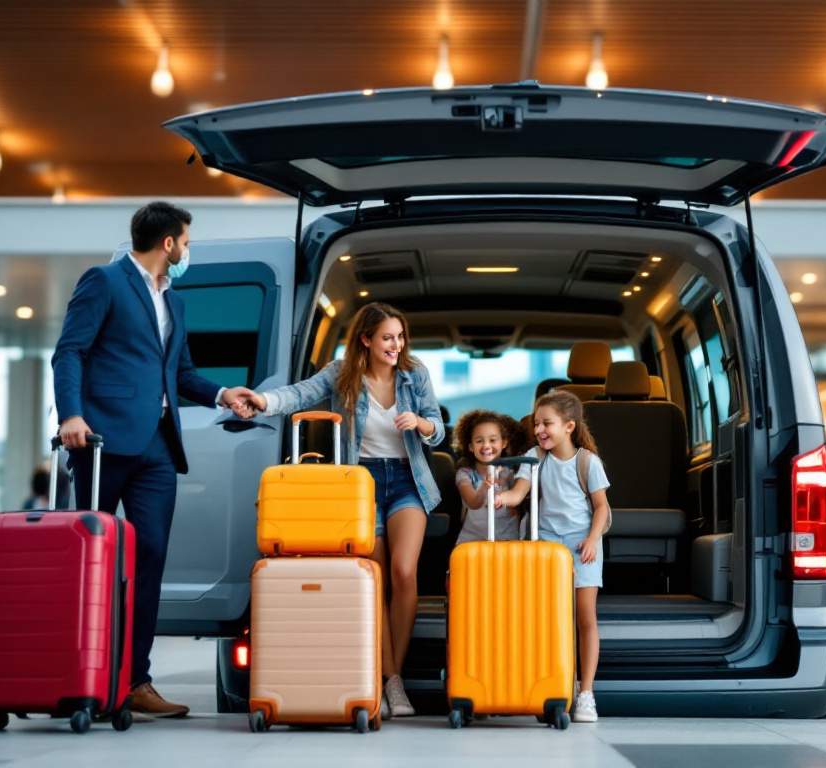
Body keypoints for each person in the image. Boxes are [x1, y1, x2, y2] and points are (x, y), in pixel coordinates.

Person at [52, 200, 258, 719]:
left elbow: (180, 374)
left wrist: (222, 395)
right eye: (186, 242)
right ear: (168, 243)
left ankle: (136, 681)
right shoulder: (104, 281)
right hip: (101, 440)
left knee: (151, 559)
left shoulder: (177, 302)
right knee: (92, 562)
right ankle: (84, 676)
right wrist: (71, 415)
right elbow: (69, 351)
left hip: (159, 446)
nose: (188, 250)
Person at [233, 302, 445, 719]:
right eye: (387, 337)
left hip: (408, 481)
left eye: (400, 337)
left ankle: (393, 680)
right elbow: (299, 394)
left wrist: (420, 424)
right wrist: (261, 400)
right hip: (359, 484)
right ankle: (385, 681)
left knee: (404, 572)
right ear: (366, 339)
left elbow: (437, 427)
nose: (396, 345)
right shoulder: (341, 373)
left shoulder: (414, 373)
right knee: (376, 578)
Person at [498, 390, 611, 724]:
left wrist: (592, 539)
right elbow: (520, 491)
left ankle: (586, 692)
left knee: (584, 618)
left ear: (569, 426)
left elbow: (601, 506)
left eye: (547, 423)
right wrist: (504, 496)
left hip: (582, 545)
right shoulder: (535, 456)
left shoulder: (587, 462)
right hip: (548, 547)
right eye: (536, 424)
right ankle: (560, 684)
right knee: (552, 621)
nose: (539, 430)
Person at [453, 410, 525, 546]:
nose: (486, 445)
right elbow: (472, 503)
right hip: (473, 541)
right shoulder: (465, 474)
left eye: (492, 440)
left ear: (504, 443)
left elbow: (518, 502)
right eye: (479, 441)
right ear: (470, 447)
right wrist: (485, 486)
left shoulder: (510, 473)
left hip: (507, 539)